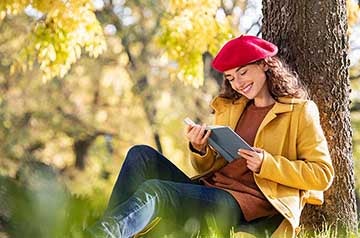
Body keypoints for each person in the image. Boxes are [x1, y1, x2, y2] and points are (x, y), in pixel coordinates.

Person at [86, 35, 334, 238]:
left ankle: (102, 234)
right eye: (230, 77)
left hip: (247, 205)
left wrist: (266, 164)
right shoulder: (231, 107)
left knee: (156, 191)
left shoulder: (299, 111)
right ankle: (109, 231)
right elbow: (214, 165)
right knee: (140, 154)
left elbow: (322, 175)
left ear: (264, 65)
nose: (237, 83)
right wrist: (201, 149)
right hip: (209, 190)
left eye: (243, 72)